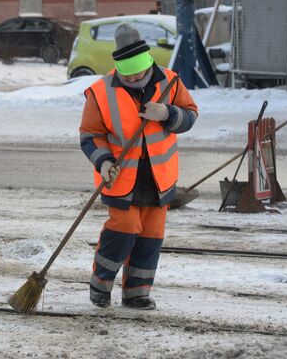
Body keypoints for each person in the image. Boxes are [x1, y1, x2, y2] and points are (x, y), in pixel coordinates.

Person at [79, 23, 198, 310]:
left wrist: (167, 113)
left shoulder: (169, 81)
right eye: (127, 73)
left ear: (148, 64)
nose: (134, 77)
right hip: (121, 178)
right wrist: (104, 161)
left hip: (159, 178)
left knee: (151, 236)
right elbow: (90, 136)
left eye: (139, 72)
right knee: (125, 228)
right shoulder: (101, 92)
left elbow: (191, 116)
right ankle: (101, 284)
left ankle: (137, 292)